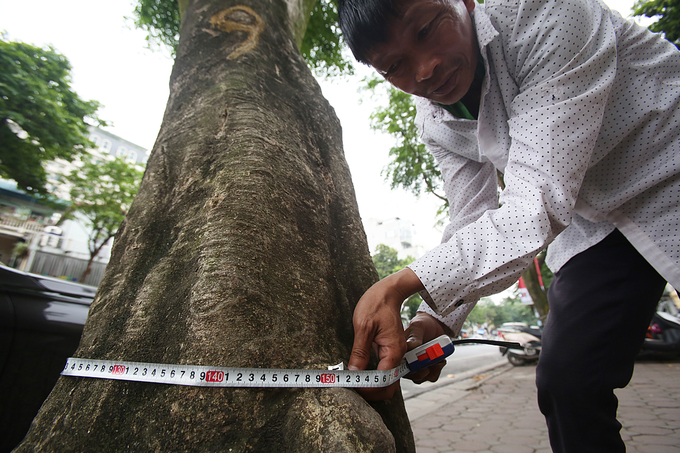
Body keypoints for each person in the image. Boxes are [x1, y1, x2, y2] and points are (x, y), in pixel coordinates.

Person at [337, 0, 680, 451]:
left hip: (668, 164)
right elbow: (471, 216)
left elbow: (534, 204)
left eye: (426, 30)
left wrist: (397, 285)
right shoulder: (435, 121)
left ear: (464, 3)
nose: (425, 71)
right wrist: (433, 322)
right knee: (567, 380)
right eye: (395, 66)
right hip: (595, 223)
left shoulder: (546, 15)